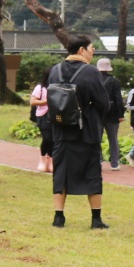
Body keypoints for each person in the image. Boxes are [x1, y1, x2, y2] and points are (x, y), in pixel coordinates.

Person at [47, 35, 112, 229]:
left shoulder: (55, 70)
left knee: (61, 173)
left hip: (61, 130)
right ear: (82, 50)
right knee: (92, 172)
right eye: (91, 49)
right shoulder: (91, 71)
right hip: (86, 131)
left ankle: (59, 217)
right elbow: (103, 103)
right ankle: (96, 219)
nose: (93, 52)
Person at [96, 57, 125, 171]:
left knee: (97, 139)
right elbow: (118, 99)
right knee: (113, 139)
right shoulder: (114, 81)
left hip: (97, 112)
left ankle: (98, 161)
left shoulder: (94, 80)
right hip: (112, 113)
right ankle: (114, 163)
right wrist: (121, 114)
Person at [29, 69, 53, 173]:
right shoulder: (40, 87)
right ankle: (43, 159)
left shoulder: (58, 87)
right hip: (43, 115)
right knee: (47, 138)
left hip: (55, 115)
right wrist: (47, 101)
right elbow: (33, 102)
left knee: (54, 139)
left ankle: (51, 161)